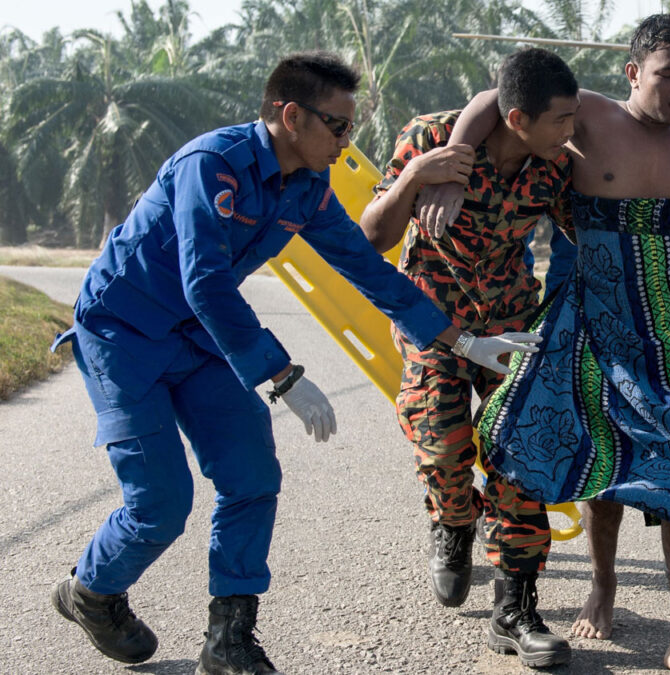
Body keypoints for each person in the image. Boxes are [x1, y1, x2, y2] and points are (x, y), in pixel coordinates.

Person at [48, 51, 538, 674]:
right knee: (160, 502)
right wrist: (281, 376)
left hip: (199, 339)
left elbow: (367, 270)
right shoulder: (213, 165)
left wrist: (462, 341)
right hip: (125, 336)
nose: (345, 141)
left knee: (252, 476)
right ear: (290, 115)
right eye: (336, 126)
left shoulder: (307, 189)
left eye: (350, 128)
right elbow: (205, 281)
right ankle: (91, 591)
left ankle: (228, 642)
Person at [437, 14, 670, 675]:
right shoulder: (591, 117)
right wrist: (453, 169)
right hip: (599, 322)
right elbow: (495, 99)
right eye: (668, 75)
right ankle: (602, 582)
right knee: (607, 454)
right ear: (634, 73)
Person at [357, 47, 578, 668]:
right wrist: (415, 178)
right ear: (518, 119)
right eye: (560, 119)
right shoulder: (430, 136)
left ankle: (517, 608)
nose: (571, 130)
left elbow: (588, 232)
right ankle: (454, 522)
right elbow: (373, 236)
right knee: (443, 445)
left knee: (519, 452)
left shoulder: (556, 162)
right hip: (433, 320)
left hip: (511, 321)